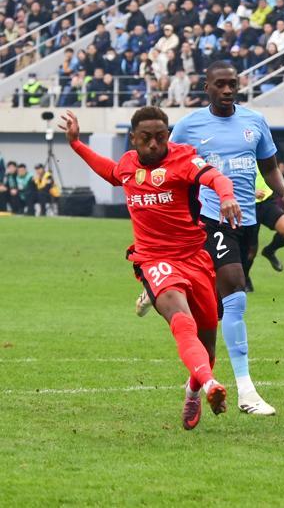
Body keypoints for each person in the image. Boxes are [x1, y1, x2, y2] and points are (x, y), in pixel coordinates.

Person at [60, 107, 238, 430]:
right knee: (181, 320)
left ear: (167, 136)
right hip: (154, 260)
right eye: (146, 138)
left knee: (208, 345)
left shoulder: (184, 160)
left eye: (160, 137)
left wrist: (226, 196)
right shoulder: (129, 164)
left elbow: (215, 177)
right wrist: (76, 143)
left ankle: (194, 390)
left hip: (195, 258)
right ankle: (211, 384)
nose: (154, 144)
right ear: (133, 139)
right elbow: (111, 171)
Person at [139, 61, 284, 416]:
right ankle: (246, 391)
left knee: (215, 303)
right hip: (211, 219)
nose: (227, 90)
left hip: (248, 220)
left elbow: (269, 165)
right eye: (220, 84)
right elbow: (167, 165)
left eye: (232, 84)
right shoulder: (189, 126)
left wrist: (283, 191)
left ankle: (159, 292)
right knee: (235, 292)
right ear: (206, 87)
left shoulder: (255, 122)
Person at [243, 169, 284, 290]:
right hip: (246, 204)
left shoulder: (263, 157)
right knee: (251, 251)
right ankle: (245, 279)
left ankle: (269, 251)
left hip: (266, 201)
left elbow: (272, 170)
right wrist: (250, 192)